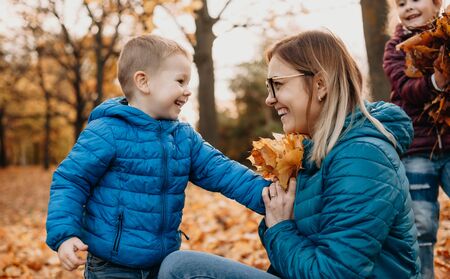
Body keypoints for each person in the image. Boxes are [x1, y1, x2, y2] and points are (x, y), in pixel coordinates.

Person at [157, 30, 421, 279]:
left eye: (278, 84)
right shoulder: (321, 155)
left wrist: (280, 228)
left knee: (181, 269)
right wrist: (279, 219)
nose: (269, 99)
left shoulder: (363, 159)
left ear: (320, 85)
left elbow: (333, 274)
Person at [45, 34, 270, 279]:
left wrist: (269, 197)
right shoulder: (108, 131)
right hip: (111, 265)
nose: (187, 91)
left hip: (161, 264)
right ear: (144, 82)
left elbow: (224, 172)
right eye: (180, 81)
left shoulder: (183, 137)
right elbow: (70, 181)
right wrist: (65, 234)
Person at [383, 0, 450, 278]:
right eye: (401, 3)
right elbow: (406, 88)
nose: (408, 6)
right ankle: (422, 275)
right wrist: (437, 80)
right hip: (416, 150)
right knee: (420, 222)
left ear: (436, 3)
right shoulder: (396, 48)